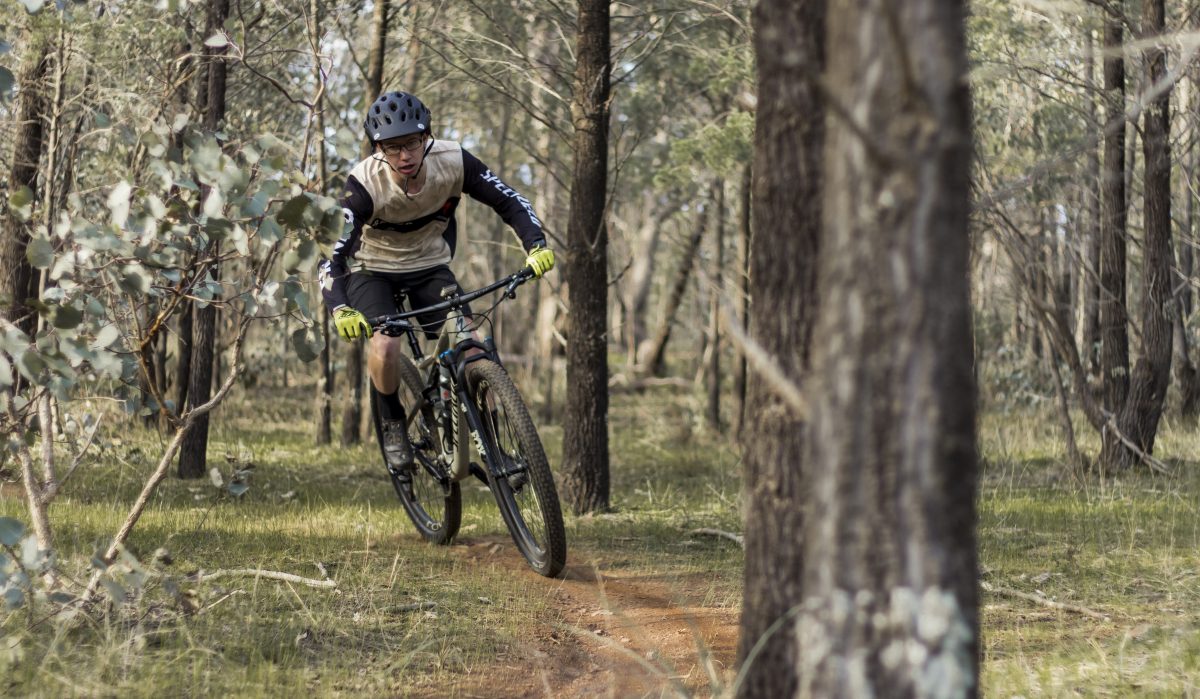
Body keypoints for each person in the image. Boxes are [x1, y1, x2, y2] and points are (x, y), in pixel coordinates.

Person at [319, 91, 554, 473]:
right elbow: (330, 254)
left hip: (429, 265)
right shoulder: (363, 184)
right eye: (392, 147)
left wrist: (535, 245)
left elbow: (509, 201)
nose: (405, 155)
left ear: (427, 136)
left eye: (413, 142)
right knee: (386, 345)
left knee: (472, 347)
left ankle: (495, 446)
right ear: (378, 147)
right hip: (372, 269)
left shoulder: (454, 161)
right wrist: (340, 306)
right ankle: (394, 425)